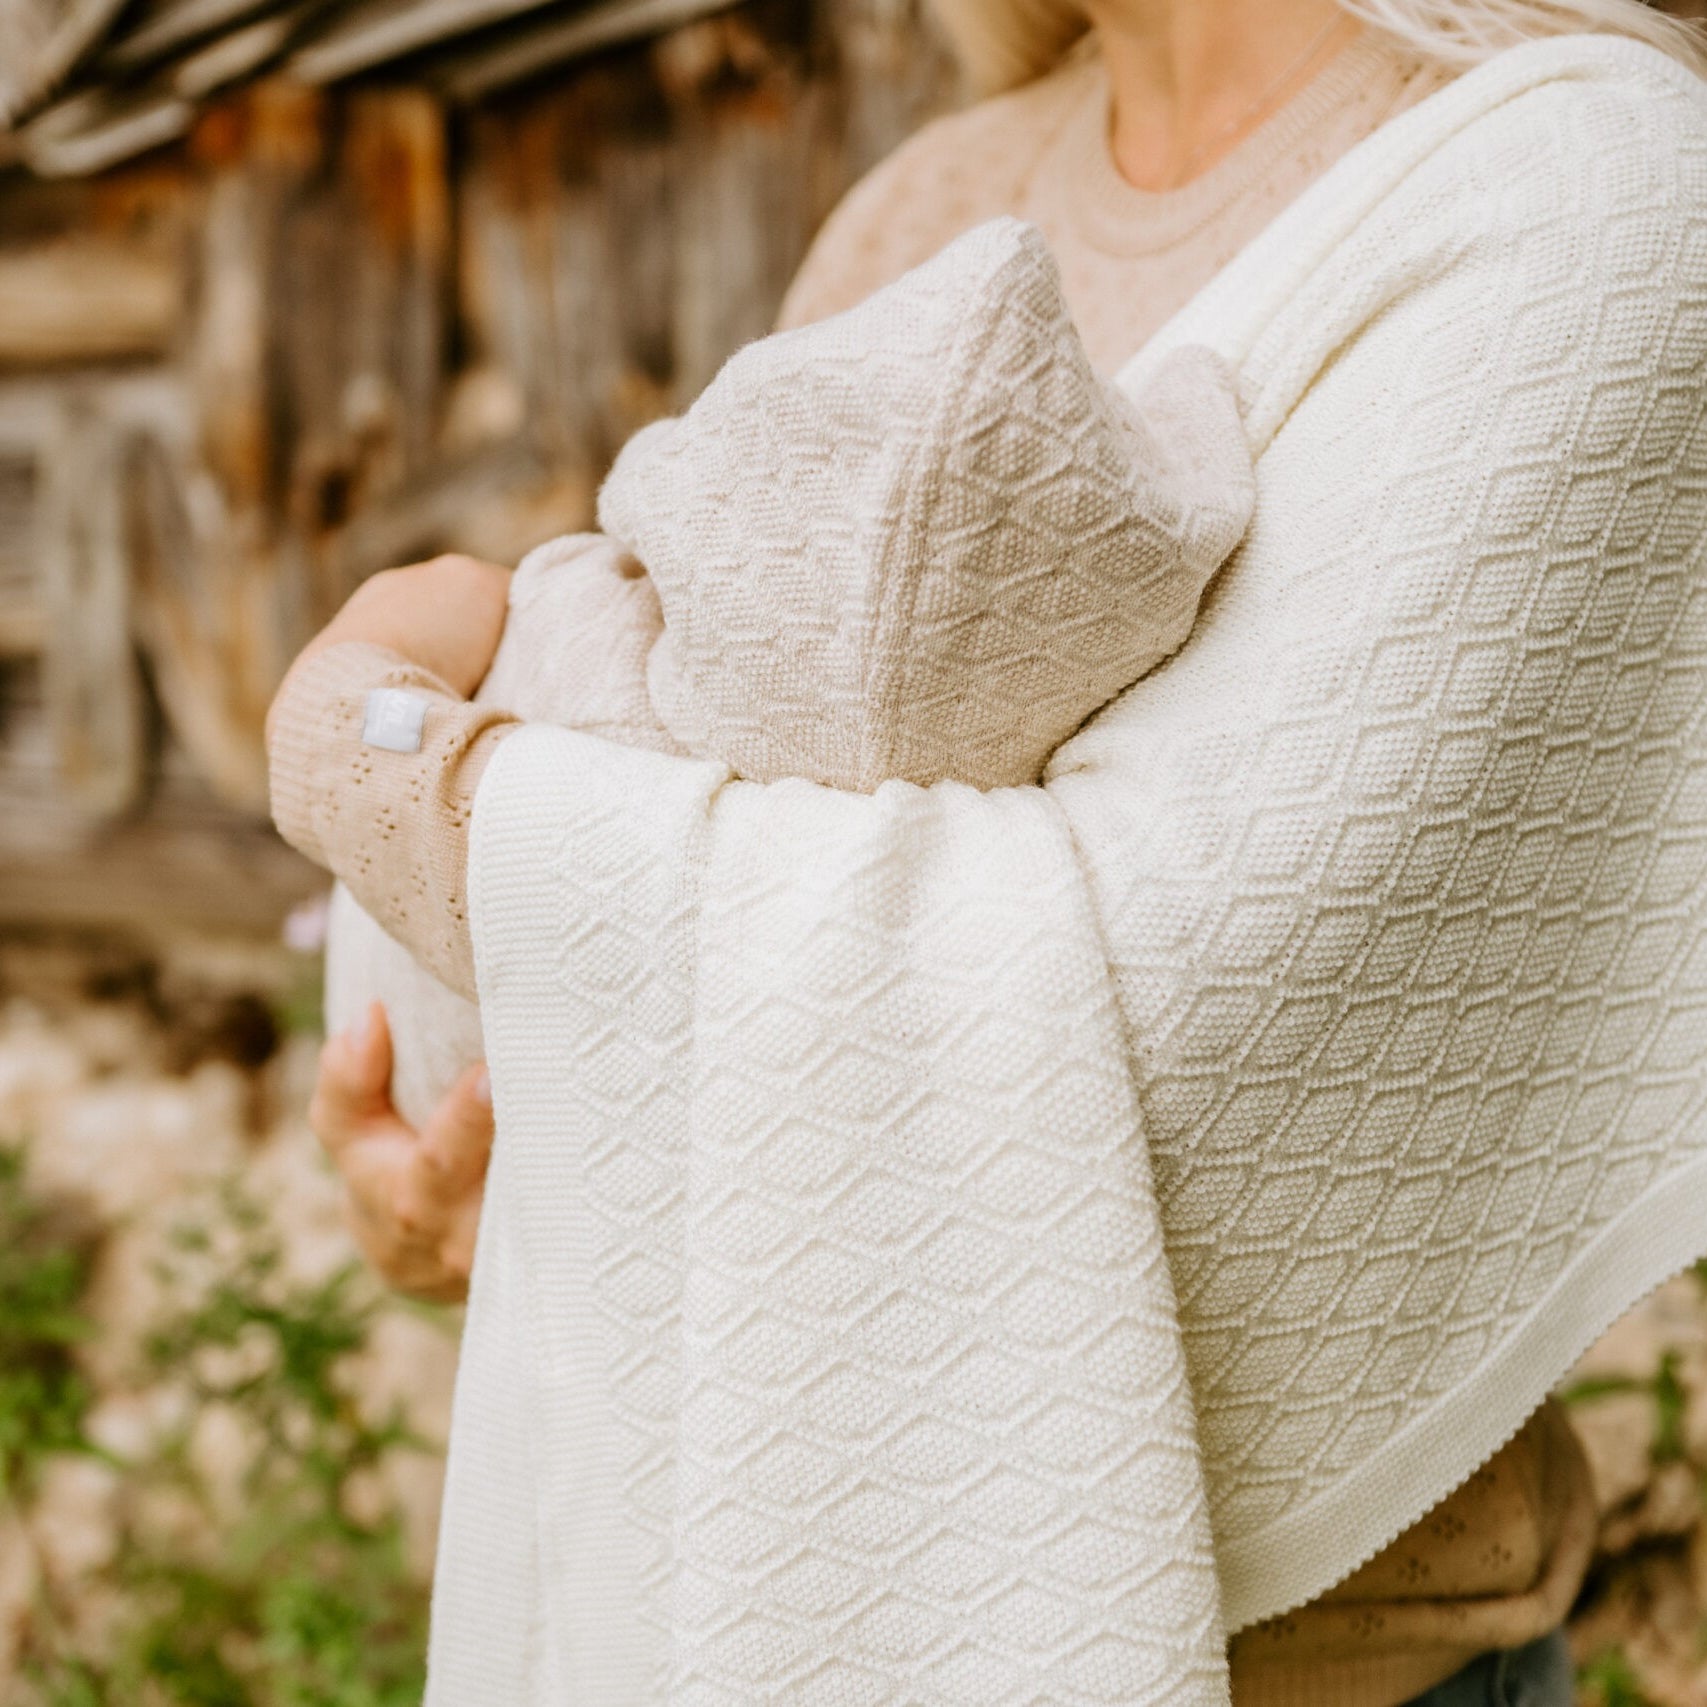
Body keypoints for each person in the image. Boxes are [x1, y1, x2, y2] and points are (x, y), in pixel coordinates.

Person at [276, 1, 1707, 1700]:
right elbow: (681, 747)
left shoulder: (1577, 193)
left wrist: (394, 766)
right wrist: (501, 1172)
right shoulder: (928, 202)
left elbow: (1171, 1036)